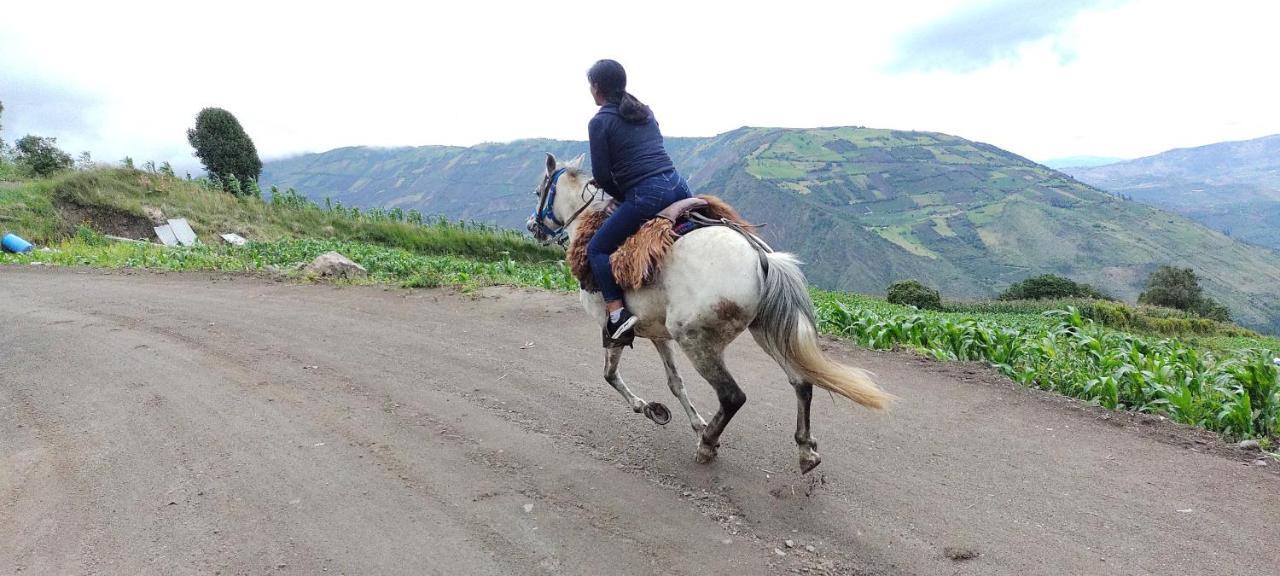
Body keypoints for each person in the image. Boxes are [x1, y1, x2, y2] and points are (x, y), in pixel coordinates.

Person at [585, 59, 692, 344]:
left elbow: (602, 175)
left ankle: (617, 314)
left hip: (648, 194)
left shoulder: (599, 122)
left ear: (597, 88)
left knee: (596, 249)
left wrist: (621, 199)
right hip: (680, 187)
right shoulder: (644, 111)